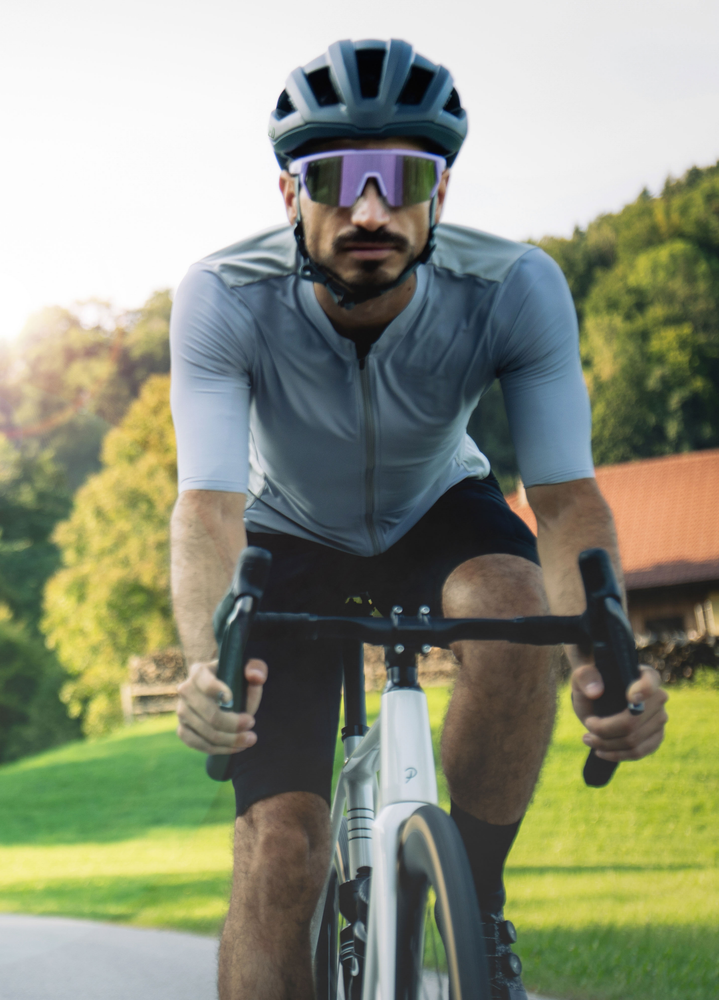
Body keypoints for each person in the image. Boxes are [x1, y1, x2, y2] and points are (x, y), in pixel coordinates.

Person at [168, 39, 669, 1000]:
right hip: (285, 530)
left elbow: (564, 502)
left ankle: (474, 902)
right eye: (335, 179)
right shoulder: (225, 295)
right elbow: (209, 506)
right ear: (288, 197)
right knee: (281, 852)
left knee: (518, 604)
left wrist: (607, 656)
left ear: (440, 193)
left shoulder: (514, 287)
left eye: (400, 178)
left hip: (440, 506)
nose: (368, 209)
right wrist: (208, 660)